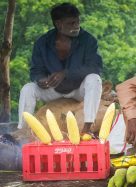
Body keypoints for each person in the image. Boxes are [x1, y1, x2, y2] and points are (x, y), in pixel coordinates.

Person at [18, 2, 103, 135]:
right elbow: (36, 70)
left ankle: (87, 127)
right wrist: (41, 80)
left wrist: (66, 73)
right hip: (53, 90)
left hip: (78, 90)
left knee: (95, 79)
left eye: (78, 22)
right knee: (27, 88)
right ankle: (22, 130)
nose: (77, 26)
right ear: (59, 24)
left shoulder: (88, 40)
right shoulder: (42, 42)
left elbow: (95, 67)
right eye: (71, 23)